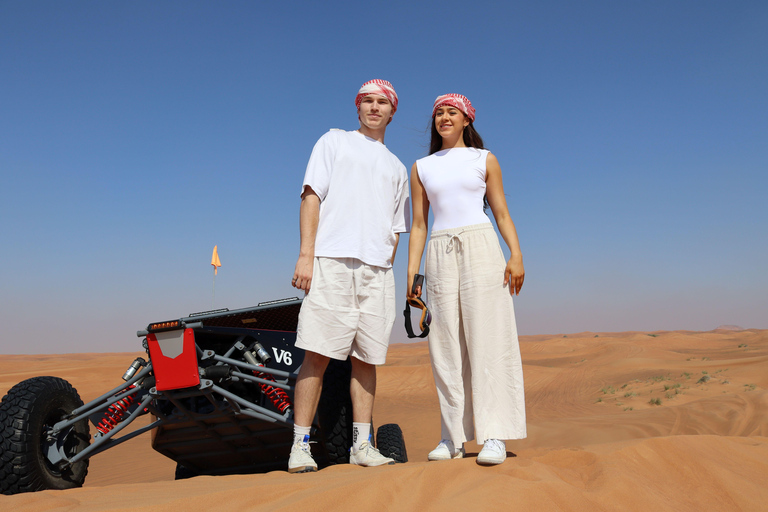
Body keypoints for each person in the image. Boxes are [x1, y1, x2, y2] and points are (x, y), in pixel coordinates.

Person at [288, 79, 410, 473]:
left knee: (367, 358)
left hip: (377, 271)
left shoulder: (396, 167)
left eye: (382, 103)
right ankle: (300, 446)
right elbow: (311, 196)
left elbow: (396, 229)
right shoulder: (333, 141)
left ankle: (362, 445)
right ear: (358, 108)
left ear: (392, 111)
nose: (374, 108)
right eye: (367, 102)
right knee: (317, 353)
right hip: (332, 261)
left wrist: (385, 266)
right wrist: (306, 254)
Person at [406, 93, 526, 466]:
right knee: (444, 345)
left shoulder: (484, 158)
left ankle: (494, 435)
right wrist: (412, 275)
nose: (444, 117)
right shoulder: (422, 166)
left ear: (466, 120)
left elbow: (501, 212)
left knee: (488, 338)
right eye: (439, 112)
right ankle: (452, 438)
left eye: (451, 112)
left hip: (481, 246)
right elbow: (420, 224)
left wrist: (516, 255)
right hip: (439, 251)